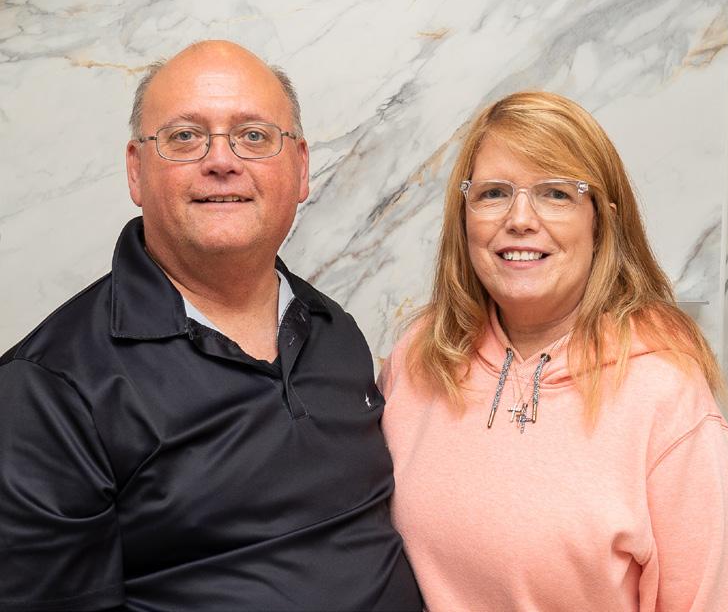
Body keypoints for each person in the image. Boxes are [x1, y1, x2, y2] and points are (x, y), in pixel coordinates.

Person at [0, 40, 422, 611]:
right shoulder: (47, 389)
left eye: (254, 136)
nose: (221, 160)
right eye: (184, 136)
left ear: (300, 168)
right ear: (136, 170)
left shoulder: (333, 329)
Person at [379, 91, 728, 611]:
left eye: (555, 193)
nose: (520, 219)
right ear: (463, 217)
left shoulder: (667, 395)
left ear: (602, 221)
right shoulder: (418, 355)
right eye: (493, 193)